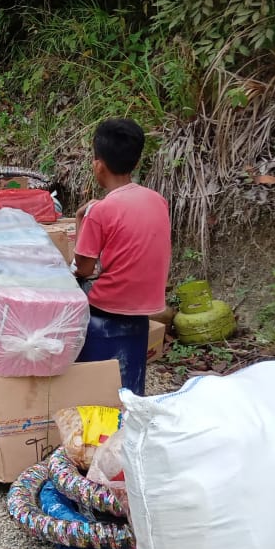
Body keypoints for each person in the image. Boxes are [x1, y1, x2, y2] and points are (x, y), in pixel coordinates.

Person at [72, 118, 172, 396]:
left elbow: (82, 268)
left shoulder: (101, 210)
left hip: (107, 307)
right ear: (135, 163)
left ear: (98, 165)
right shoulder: (157, 200)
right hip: (147, 305)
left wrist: (82, 219)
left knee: (65, 292)